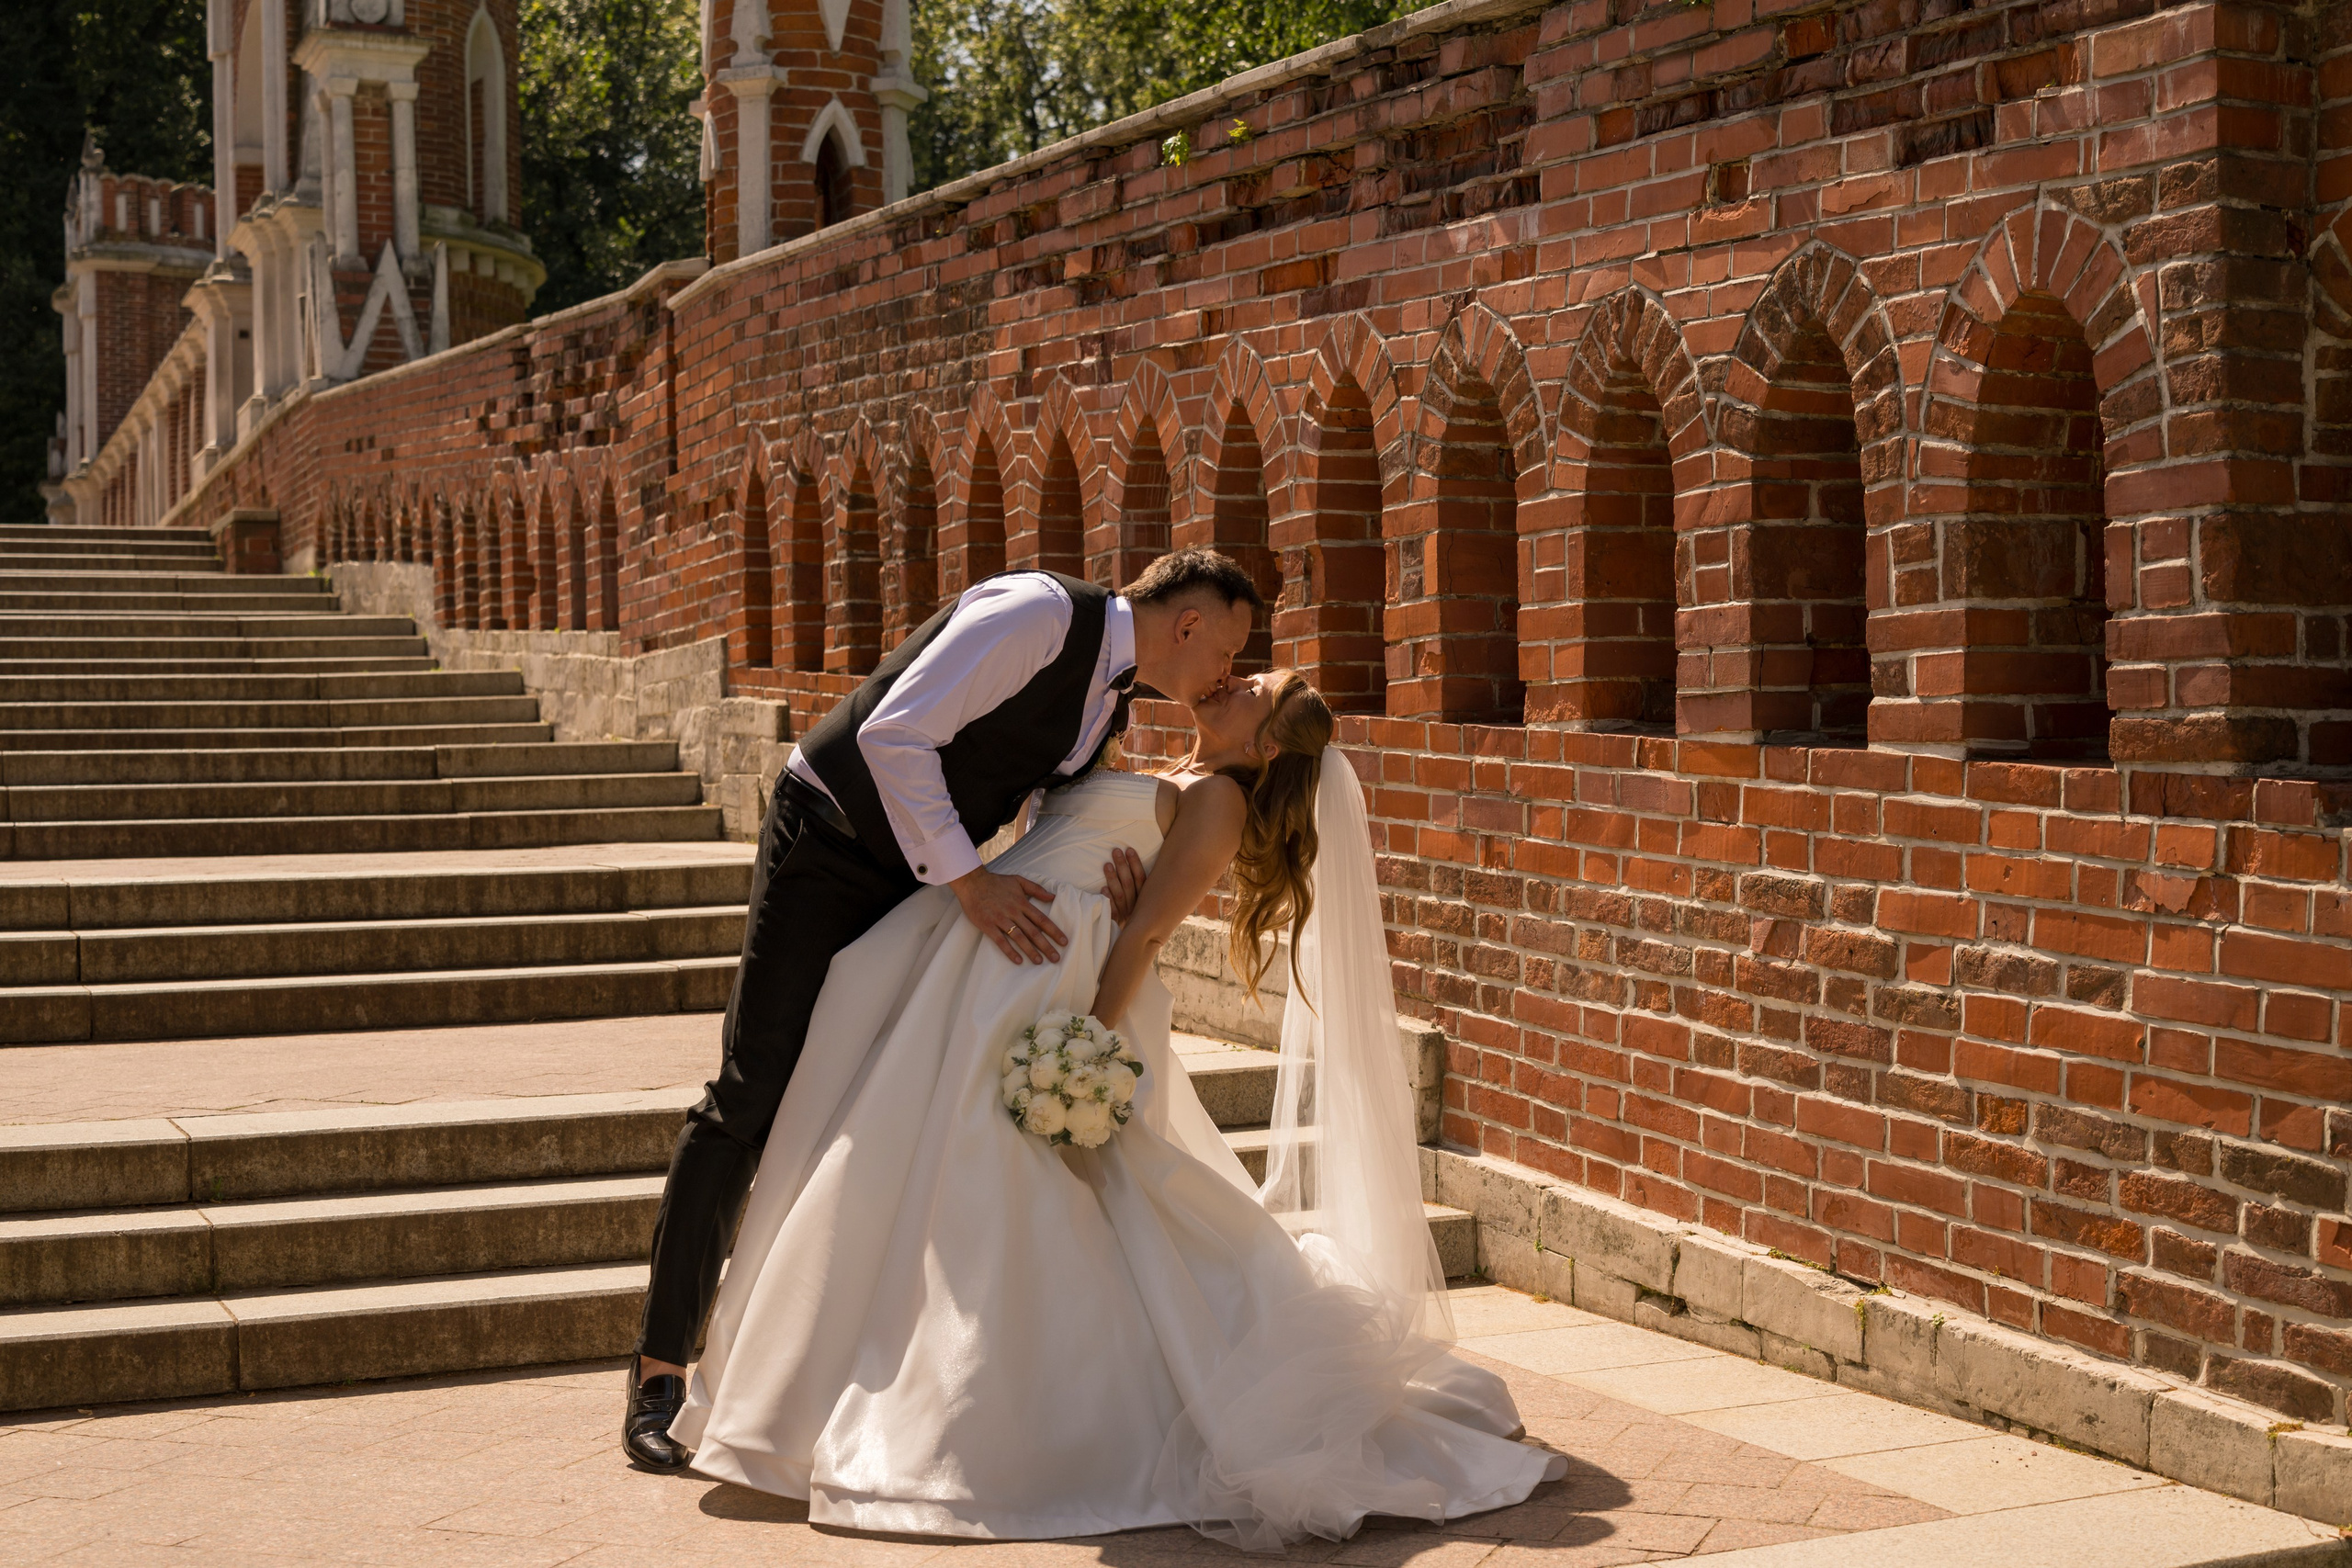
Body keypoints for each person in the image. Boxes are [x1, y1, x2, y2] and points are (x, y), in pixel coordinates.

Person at [667, 669, 1566, 1547]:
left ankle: (997, 1422)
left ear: (1264, 746)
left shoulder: (1216, 797)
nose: (1233, 679)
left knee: (989, 1188)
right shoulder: (1152, 757)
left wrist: (1082, 1050)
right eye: (1245, 671)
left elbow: (1149, 932)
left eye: (1255, 690)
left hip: (1050, 995)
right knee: (906, 1169)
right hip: (986, 952)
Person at [624, 549, 1262, 1471]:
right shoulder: (1037, 616)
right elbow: (894, 733)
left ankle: (799, 1363)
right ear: (1189, 622)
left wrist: (1113, 868)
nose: (1225, 675)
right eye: (1228, 651)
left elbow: (1051, 797)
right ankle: (659, 1371)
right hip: (832, 845)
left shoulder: (1107, 702)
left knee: (854, 1093)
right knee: (751, 1094)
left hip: (917, 881)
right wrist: (969, 883)